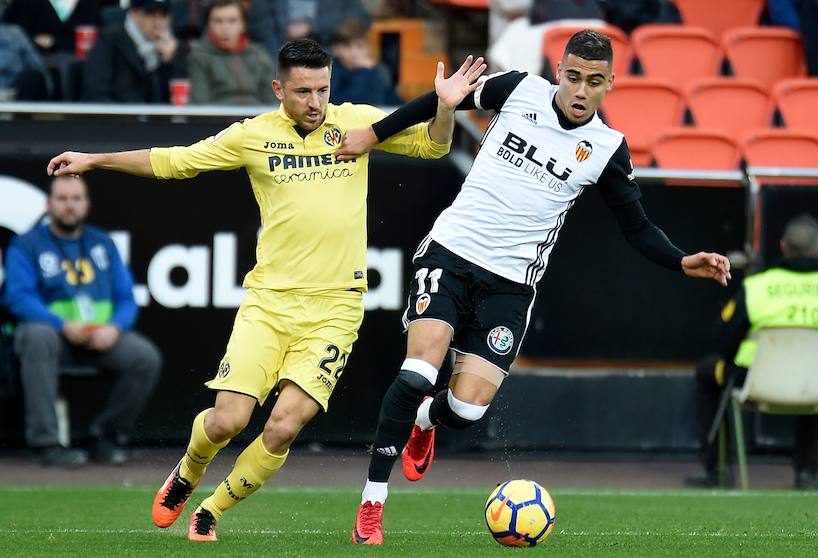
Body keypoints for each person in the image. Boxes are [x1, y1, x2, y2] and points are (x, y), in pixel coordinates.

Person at [47, 39, 485, 541]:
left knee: (281, 427)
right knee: (226, 422)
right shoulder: (253, 135)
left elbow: (433, 145)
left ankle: (211, 509)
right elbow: (175, 161)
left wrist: (445, 109)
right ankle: (188, 472)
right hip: (269, 304)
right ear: (279, 89)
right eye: (302, 91)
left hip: (336, 308)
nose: (315, 102)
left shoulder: (357, 121)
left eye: (322, 89)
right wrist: (96, 160)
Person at [334, 29, 732, 545]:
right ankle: (371, 505)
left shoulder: (607, 149)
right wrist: (373, 133)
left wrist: (682, 261)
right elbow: (442, 98)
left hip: (512, 284)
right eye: (572, 76)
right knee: (417, 370)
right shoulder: (518, 89)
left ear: (610, 84)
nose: (580, 90)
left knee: (467, 410)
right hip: (452, 253)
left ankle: (428, 421)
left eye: (594, 81)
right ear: (558, 71)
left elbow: (636, 227)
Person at [685, 214, 818, 491]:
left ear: (783, 246)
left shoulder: (757, 288)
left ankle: (718, 471)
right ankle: (808, 474)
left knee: (708, 372)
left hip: (755, 381)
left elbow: (724, 339)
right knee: (816, 377)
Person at [3, 175, 161, 467]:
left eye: (76, 199)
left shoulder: (102, 243)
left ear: (86, 204)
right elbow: (18, 297)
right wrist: (62, 325)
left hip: (100, 338)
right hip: (55, 337)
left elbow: (127, 298)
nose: (69, 206)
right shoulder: (27, 245)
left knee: (144, 357)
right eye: (62, 199)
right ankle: (46, 443)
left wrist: (114, 329)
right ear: (49, 204)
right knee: (36, 336)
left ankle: (106, 437)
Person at [82, 0, 187, 103]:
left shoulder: (174, 48)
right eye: (150, 15)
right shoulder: (109, 42)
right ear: (134, 14)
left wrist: (168, 62)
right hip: (121, 117)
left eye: (163, 16)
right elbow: (96, 95)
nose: (158, 24)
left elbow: (177, 100)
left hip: (156, 119)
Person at [187, 0, 275, 106]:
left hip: (257, 120)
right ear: (209, 25)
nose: (225, 28)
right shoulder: (199, 57)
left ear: (243, 25)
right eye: (218, 21)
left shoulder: (259, 55)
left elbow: (272, 102)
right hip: (217, 120)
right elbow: (200, 105)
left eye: (232, 21)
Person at [330, 17, 403, 106]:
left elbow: (391, 99)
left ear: (368, 48)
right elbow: (347, 103)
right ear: (336, 49)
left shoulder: (377, 71)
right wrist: (364, 72)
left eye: (360, 46)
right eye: (347, 46)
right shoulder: (331, 73)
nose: (354, 53)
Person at [1, 0, 101, 55]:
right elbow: (7, 36)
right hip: (33, 67)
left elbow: (97, 42)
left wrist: (54, 42)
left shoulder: (89, 4)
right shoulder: (25, 3)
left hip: (80, 67)